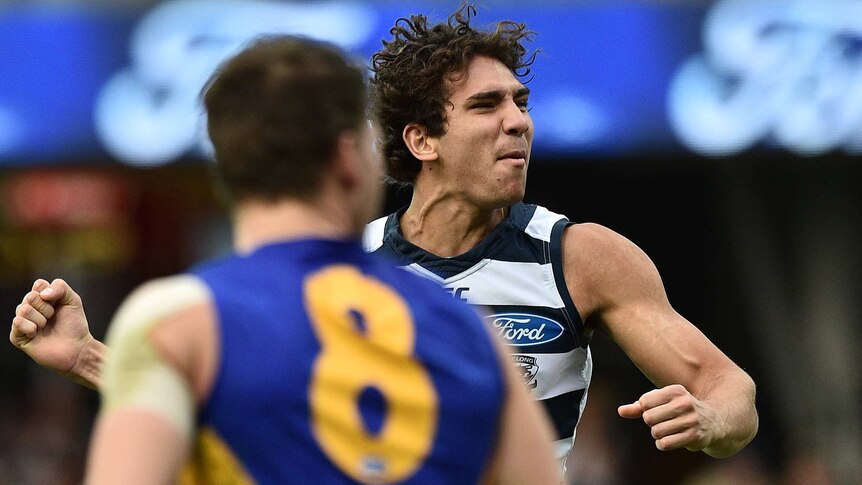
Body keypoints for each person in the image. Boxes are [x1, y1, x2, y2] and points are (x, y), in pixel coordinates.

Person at [11, 4, 758, 479]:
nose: (519, 122)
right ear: (420, 138)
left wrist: (716, 421)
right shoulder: (351, 265)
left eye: (522, 103)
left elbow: (728, 388)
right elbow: (237, 386)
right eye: (488, 106)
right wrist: (82, 356)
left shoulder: (578, 254)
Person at [14, 35, 561, 484]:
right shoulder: (468, 330)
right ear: (349, 157)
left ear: (227, 170)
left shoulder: (178, 322)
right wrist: (87, 358)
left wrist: (95, 360)